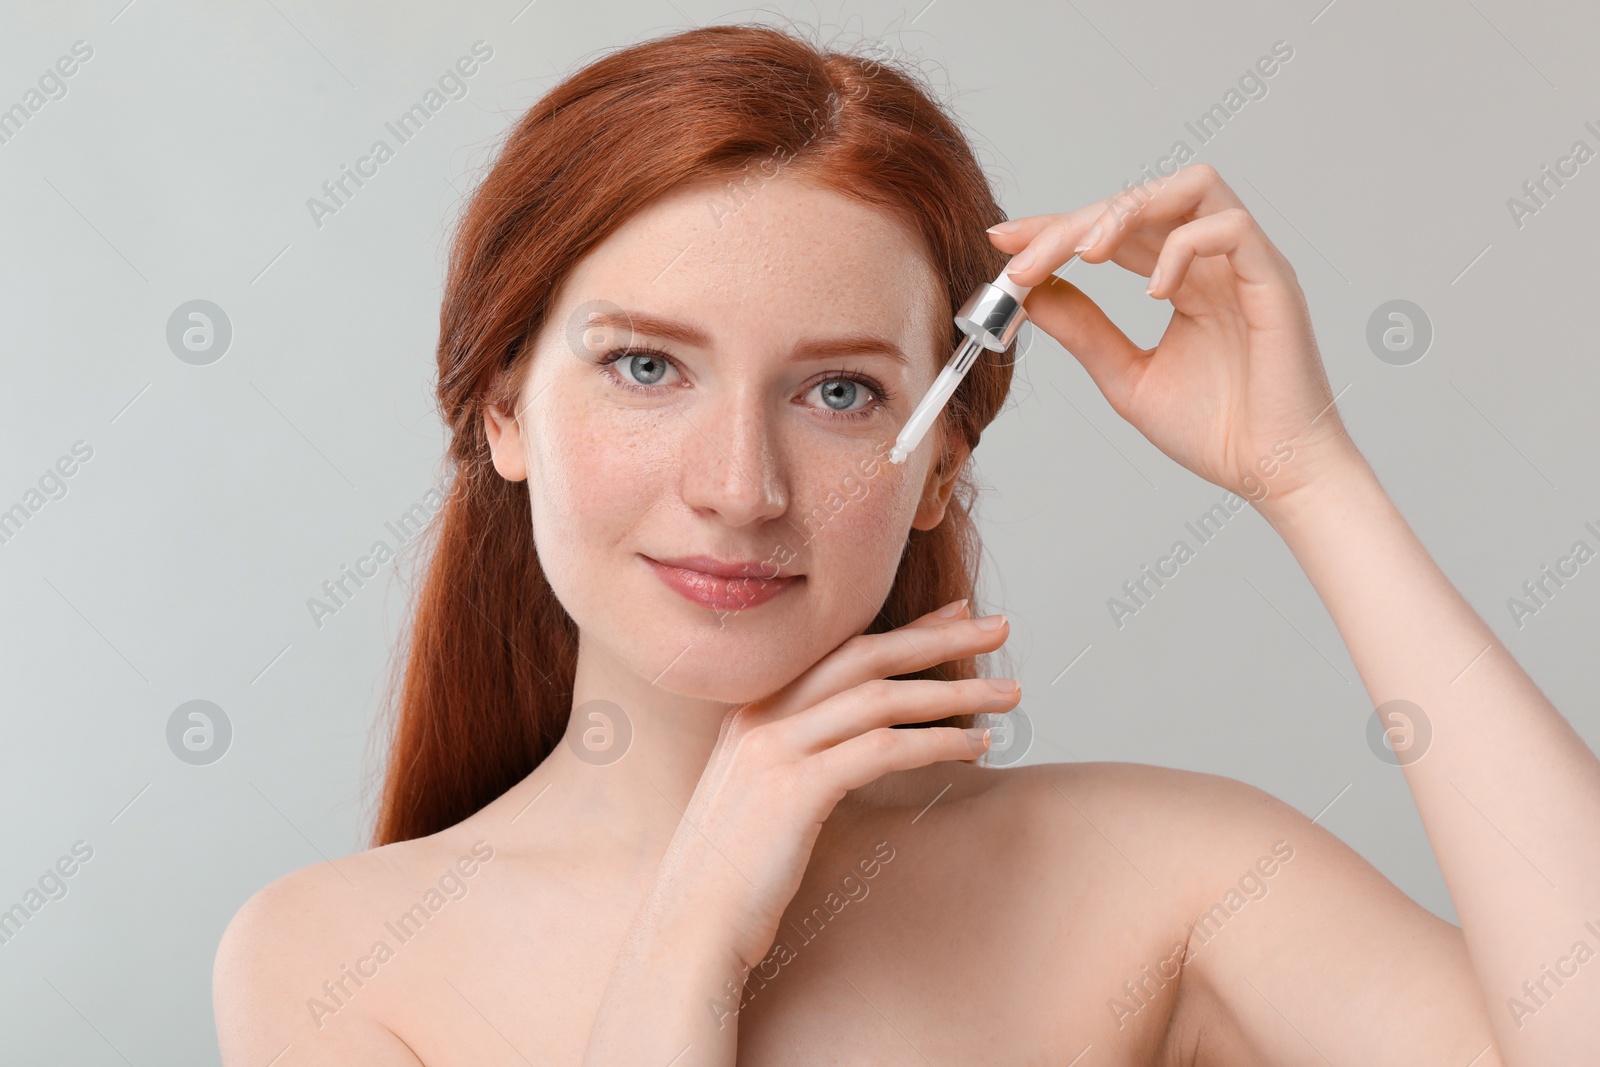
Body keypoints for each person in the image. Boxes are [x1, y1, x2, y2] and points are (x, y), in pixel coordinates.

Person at [213, 22, 1599, 1066]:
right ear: (506, 408)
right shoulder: (332, 964)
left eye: (840, 392)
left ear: (942, 459)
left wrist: (1311, 476)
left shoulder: (1156, 873)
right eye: (647, 368)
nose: (740, 486)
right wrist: (690, 937)